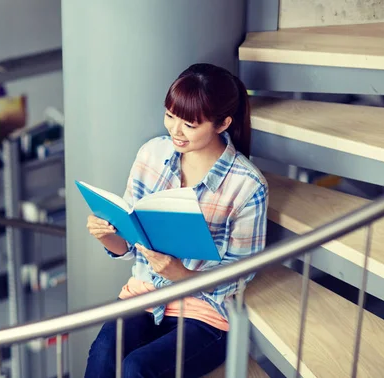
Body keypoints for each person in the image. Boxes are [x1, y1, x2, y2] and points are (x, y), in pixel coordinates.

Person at [84, 63, 268, 378]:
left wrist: (180, 274)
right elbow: (128, 245)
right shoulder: (151, 155)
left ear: (222, 123)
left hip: (206, 314)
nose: (175, 131)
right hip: (145, 294)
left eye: (189, 124)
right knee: (103, 353)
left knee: (138, 369)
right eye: (170, 116)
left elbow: (240, 275)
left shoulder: (248, 186)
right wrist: (106, 235)